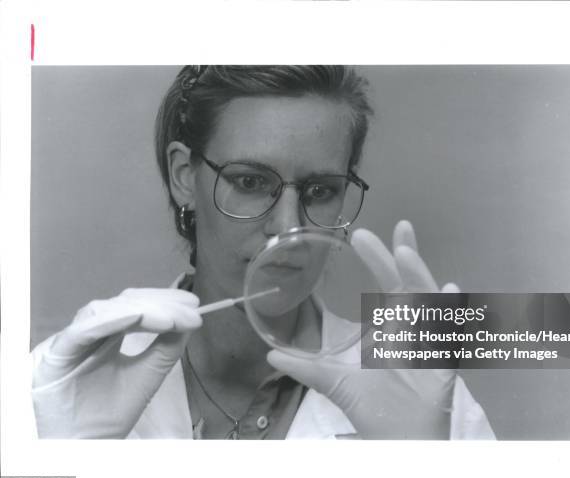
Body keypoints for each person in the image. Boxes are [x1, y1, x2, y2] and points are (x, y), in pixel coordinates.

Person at [31, 65, 495, 440]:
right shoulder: (60, 386)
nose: (288, 228)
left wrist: (425, 471)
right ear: (183, 176)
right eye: (250, 182)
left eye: (320, 190)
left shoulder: (421, 393)